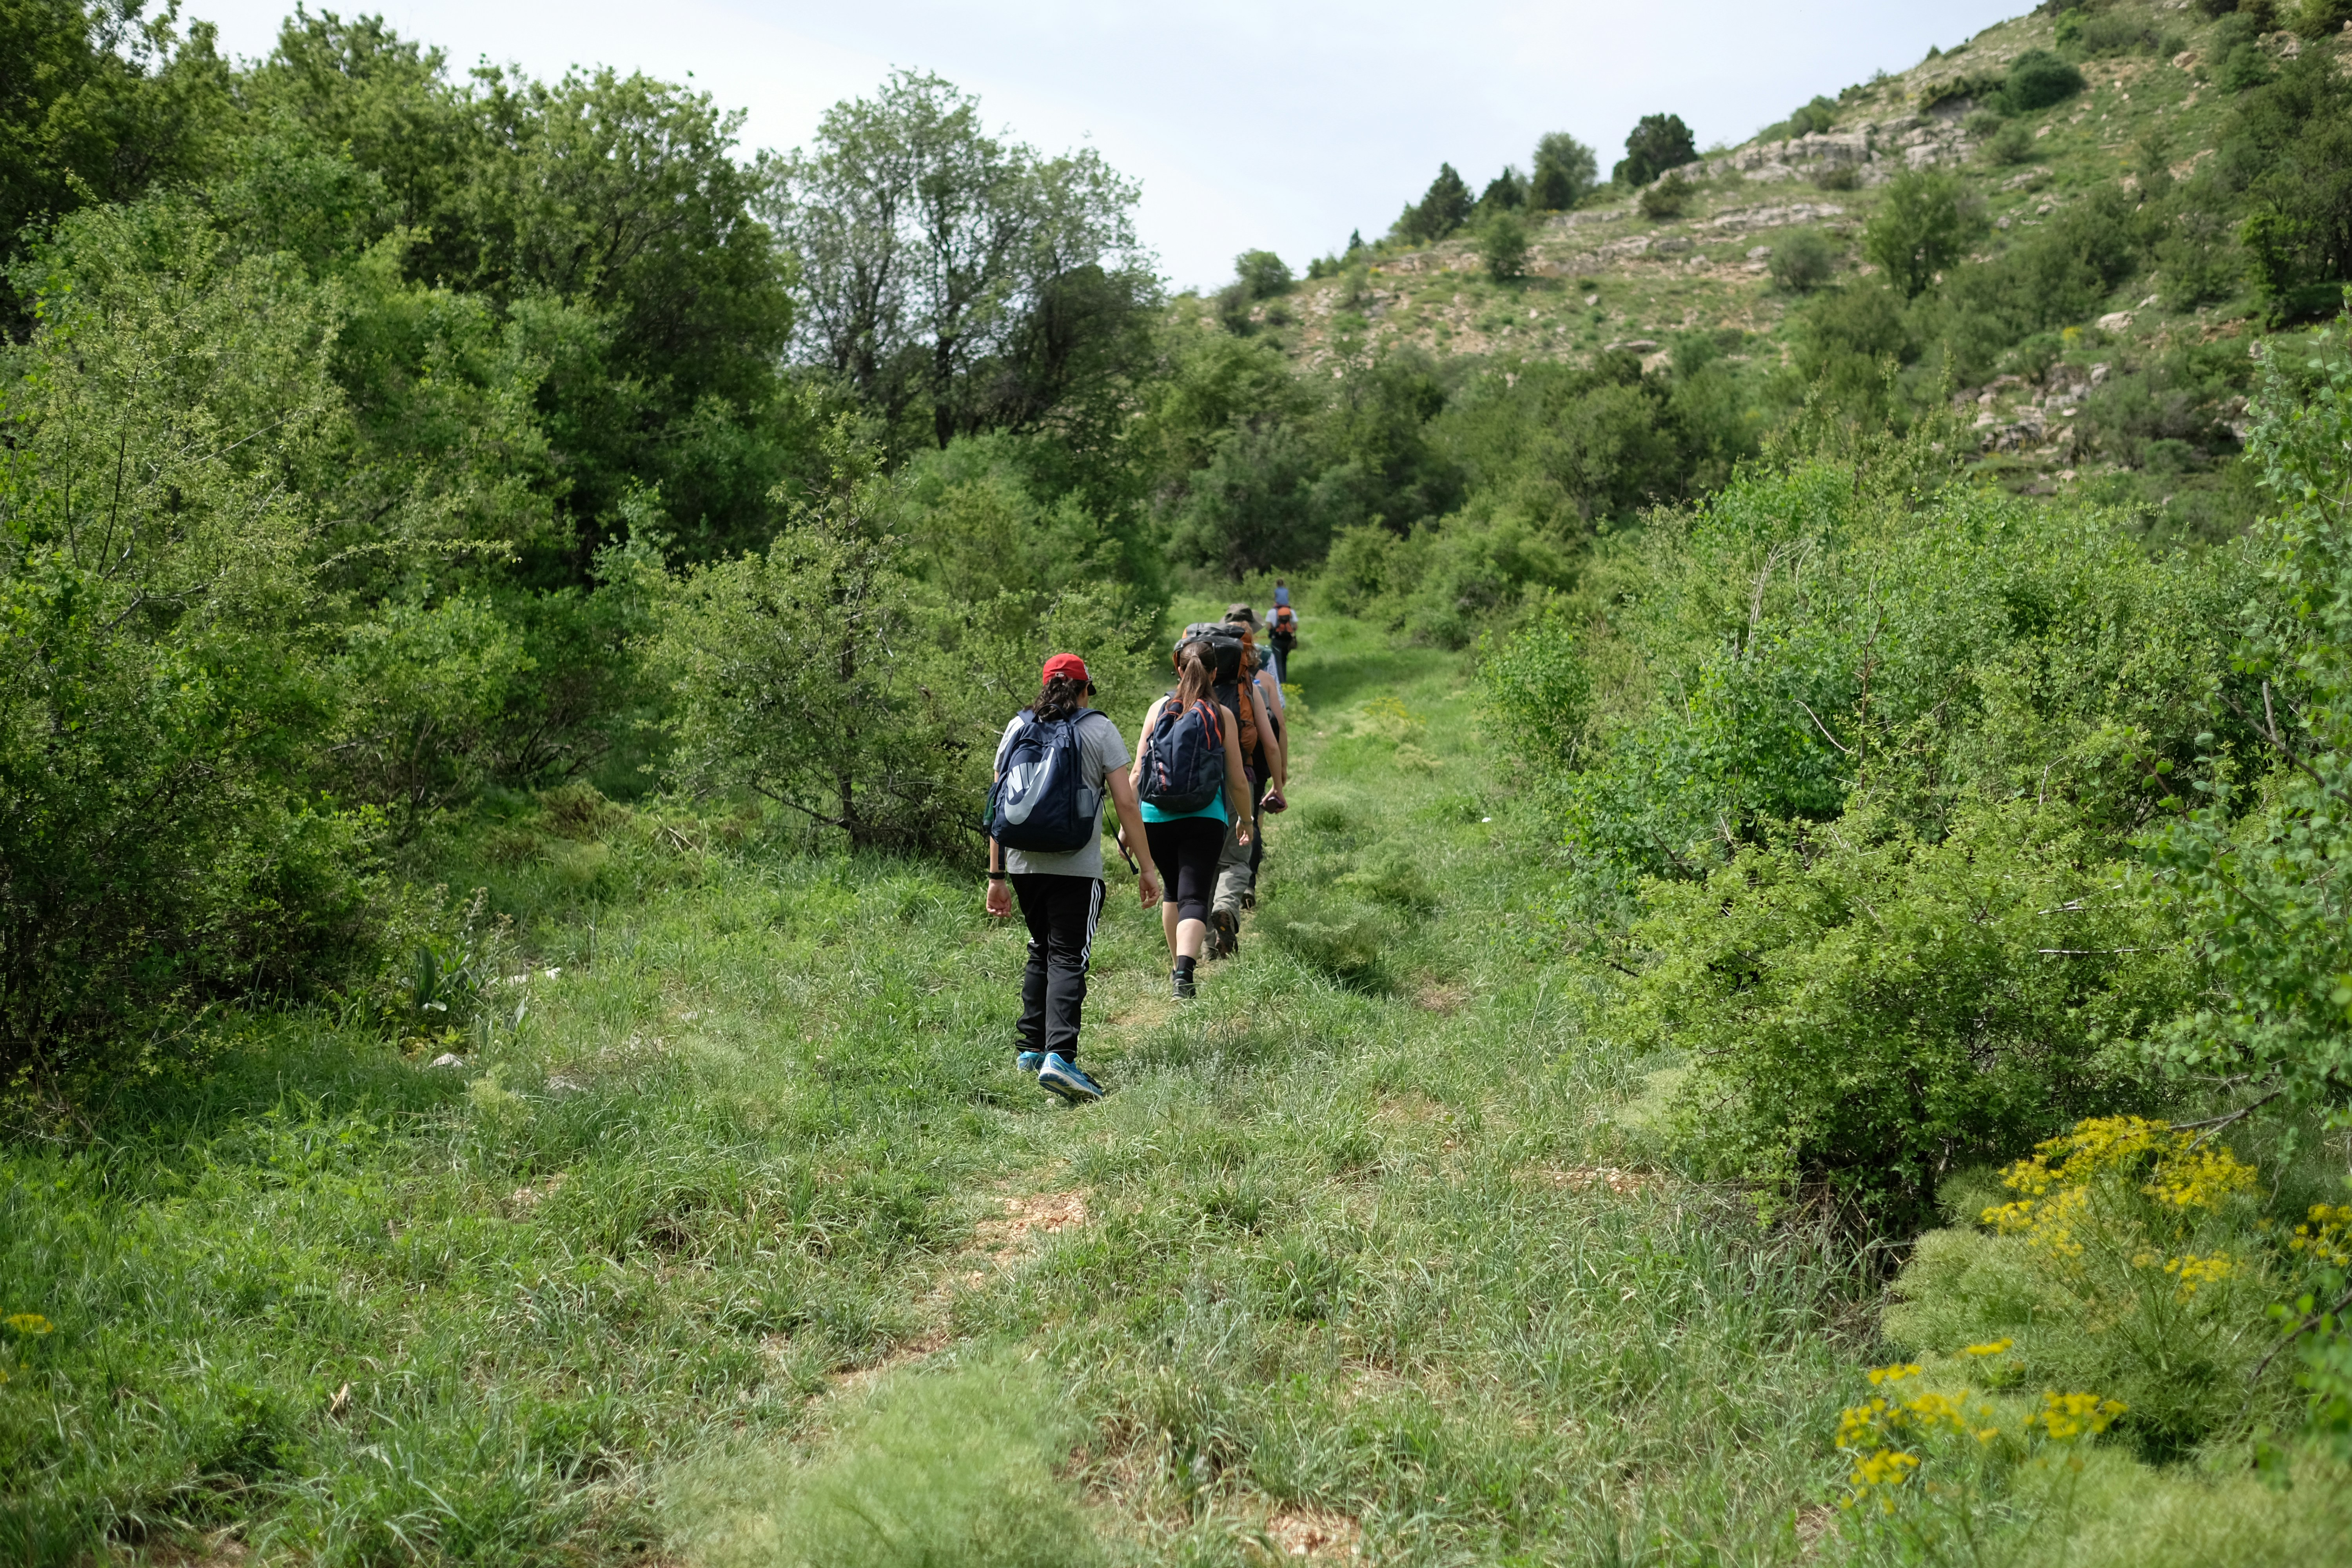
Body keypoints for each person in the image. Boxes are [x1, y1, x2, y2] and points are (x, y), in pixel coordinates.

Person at [985, 653, 1161, 1103]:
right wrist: (1146, 867)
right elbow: (1126, 801)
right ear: (1084, 691)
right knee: (1069, 955)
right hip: (1076, 869)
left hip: (1023, 864)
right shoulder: (1098, 728)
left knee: (1041, 948)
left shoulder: (1016, 726)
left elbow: (998, 804)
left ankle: (1031, 1048)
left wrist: (996, 875)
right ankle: (1060, 1057)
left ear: (1045, 688)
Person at [1131, 640, 1252, 999]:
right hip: (1205, 816)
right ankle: (1185, 971)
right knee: (1196, 894)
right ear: (1215, 673)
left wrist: (1128, 823)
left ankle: (1176, 969)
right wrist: (1246, 819)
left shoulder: (1158, 708)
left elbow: (1137, 773)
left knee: (1173, 891)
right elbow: (1237, 779)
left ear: (1179, 670)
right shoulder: (1221, 714)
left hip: (1155, 816)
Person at [1269, 579, 1299, 684]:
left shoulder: (1273, 612)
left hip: (1277, 639)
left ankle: (1280, 682)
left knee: (1278, 661)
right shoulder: (1291, 612)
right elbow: (1296, 627)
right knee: (1284, 660)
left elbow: (1269, 627)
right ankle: (1284, 680)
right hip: (1287, 639)